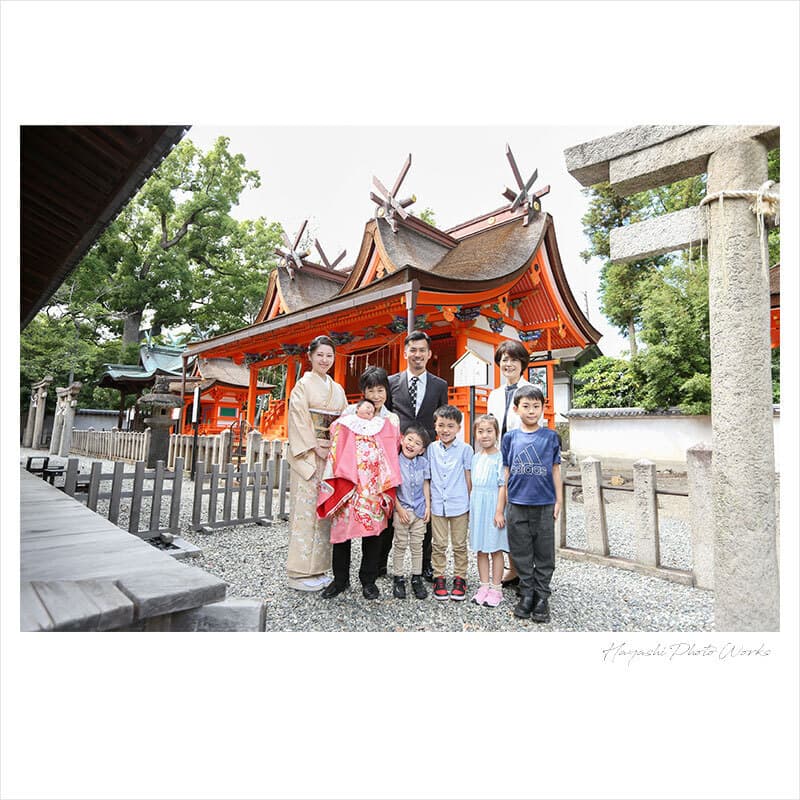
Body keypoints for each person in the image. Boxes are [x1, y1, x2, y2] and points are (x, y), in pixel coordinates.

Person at [316, 392, 402, 600]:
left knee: (372, 535)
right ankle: (340, 580)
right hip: (348, 486)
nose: (368, 411)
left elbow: (394, 445)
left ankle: (368, 580)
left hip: (372, 487)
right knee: (341, 536)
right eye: (364, 407)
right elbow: (334, 433)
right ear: (356, 408)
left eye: (371, 410)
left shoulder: (384, 425)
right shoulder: (345, 424)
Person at [384, 331, 449, 581]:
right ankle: (383, 563)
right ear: (405, 352)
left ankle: (424, 565)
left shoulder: (439, 385)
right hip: (397, 451)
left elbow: (441, 419)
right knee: (392, 503)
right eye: (413, 349)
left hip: (426, 452)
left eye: (422, 350)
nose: (418, 354)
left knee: (425, 506)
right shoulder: (391, 383)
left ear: (429, 354)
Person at [285, 335, 347, 592]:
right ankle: (299, 572)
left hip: (329, 456)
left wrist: (333, 446)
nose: (324, 360)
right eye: (320, 355)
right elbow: (298, 420)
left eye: (329, 355)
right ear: (310, 356)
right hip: (308, 457)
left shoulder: (338, 389)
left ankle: (319, 567)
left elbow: (344, 422)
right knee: (306, 511)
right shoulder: (302, 386)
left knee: (324, 512)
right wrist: (315, 445)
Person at [501, 385, 562, 623]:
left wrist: (559, 500)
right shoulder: (510, 437)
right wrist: (503, 504)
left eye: (536, 406)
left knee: (544, 551)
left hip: (544, 502)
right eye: (526, 406)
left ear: (543, 408)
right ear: (516, 409)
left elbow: (556, 470)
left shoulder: (550, 437)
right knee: (520, 551)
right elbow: (506, 472)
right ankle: (526, 592)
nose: (531, 411)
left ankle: (542, 595)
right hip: (517, 501)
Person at [485, 340, 535, 588]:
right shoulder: (494, 395)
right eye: (504, 359)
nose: (508, 364)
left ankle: (523, 570)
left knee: (520, 519)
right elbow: (490, 429)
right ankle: (512, 568)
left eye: (513, 359)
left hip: (523, 463)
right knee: (501, 515)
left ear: (522, 363)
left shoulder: (532, 390)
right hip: (498, 461)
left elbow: (535, 427)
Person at [428, 405, 473, 601]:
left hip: (459, 504)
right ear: (435, 426)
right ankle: (439, 576)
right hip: (438, 504)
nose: (445, 430)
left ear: (458, 427)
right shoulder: (431, 448)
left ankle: (460, 577)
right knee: (437, 544)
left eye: (450, 426)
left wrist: (471, 503)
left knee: (460, 544)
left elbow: (468, 476)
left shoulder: (465, 449)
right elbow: (428, 477)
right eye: (441, 425)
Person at [468, 414, 508, 608]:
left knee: (495, 548)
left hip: (493, 505)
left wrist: (499, 511)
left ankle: (496, 587)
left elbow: (503, 485)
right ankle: (483, 585)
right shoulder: (475, 457)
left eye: (489, 431)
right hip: (478, 505)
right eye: (480, 431)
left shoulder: (501, 457)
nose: (485, 435)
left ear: (497, 433)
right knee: (481, 548)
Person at [392, 424, 431, 600]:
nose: (411, 444)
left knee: (417, 545)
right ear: (402, 440)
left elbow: (425, 485)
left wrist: (428, 506)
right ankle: (398, 577)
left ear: (421, 450)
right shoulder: (394, 461)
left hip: (420, 510)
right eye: (409, 439)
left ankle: (416, 577)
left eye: (417, 443)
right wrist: (399, 509)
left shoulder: (423, 463)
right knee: (400, 545)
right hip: (402, 510)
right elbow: (390, 489)